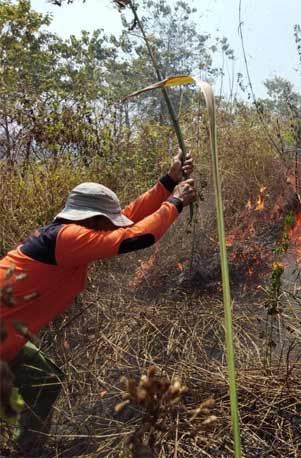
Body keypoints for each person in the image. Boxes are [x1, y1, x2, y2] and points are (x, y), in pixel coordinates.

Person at [0, 153, 196, 454]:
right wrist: (176, 202)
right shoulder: (69, 238)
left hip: (7, 340)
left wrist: (168, 182)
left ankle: (27, 451)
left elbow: (128, 219)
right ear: (90, 219)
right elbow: (136, 237)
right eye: (108, 220)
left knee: (45, 382)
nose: (112, 225)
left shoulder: (70, 236)